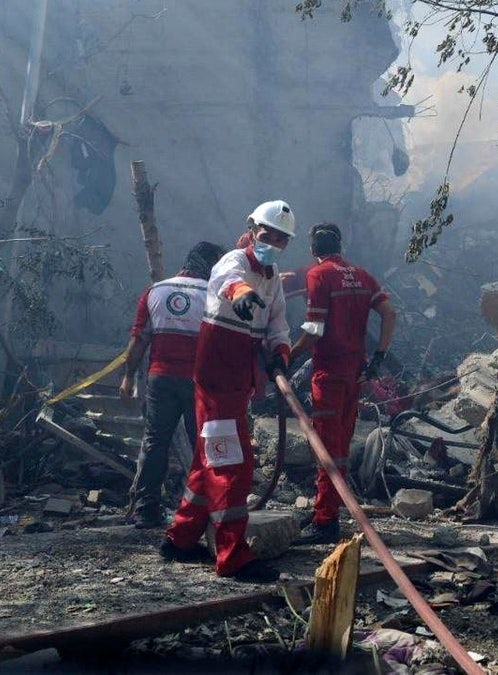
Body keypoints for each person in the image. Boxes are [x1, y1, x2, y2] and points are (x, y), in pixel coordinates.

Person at [160, 200, 295, 583]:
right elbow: (226, 283)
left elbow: (278, 326)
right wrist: (240, 295)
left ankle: (181, 539)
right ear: (253, 231)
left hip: (238, 382)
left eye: (282, 239)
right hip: (216, 379)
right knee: (231, 466)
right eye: (269, 236)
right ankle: (233, 556)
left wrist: (280, 355)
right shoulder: (232, 262)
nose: (274, 243)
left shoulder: (272, 280)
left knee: (209, 463)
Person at [289, 223, 396, 545]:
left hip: (329, 373)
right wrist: (378, 357)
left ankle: (325, 522)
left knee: (326, 449)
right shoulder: (362, 275)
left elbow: (314, 328)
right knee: (341, 447)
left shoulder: (318, 275)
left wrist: (289, 355)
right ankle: (329, 508)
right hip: (354, 373)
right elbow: (389, 313)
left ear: (313, 249)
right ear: (340, 245)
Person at [120, 241, 225, 528]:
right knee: (202, 445)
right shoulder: (214, 295)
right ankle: (206, 511)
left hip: (160, 378)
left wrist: (129, 376)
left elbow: (139, 339)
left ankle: (147, 510)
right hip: (199, 382)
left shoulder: (155, 291)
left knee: (155, 443)